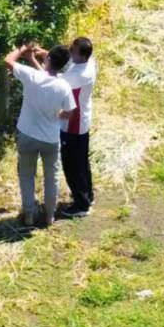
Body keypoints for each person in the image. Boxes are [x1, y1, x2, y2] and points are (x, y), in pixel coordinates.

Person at [4, 40, 73, 229]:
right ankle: (50, 216)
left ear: (48, 59)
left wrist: (23, 49)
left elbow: (8, 61)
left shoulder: (32, 76)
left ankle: (29, 215)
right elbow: (69, 112)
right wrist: (57, 115)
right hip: (50, 138)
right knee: (52, 177)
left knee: (27, 176)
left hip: (27, 134)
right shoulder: (64, 87)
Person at [58, 35, 97, 216]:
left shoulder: (78, 75)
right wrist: (44, 52)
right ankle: (87, 195)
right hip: (82, 121)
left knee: (71, 165)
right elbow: (67, 63)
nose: (69, 51)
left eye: (72, 50)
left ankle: (81, 205)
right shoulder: (89, 63)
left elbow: (52, 79)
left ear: (81, 55)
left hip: (73, 123)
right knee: (82, 162)